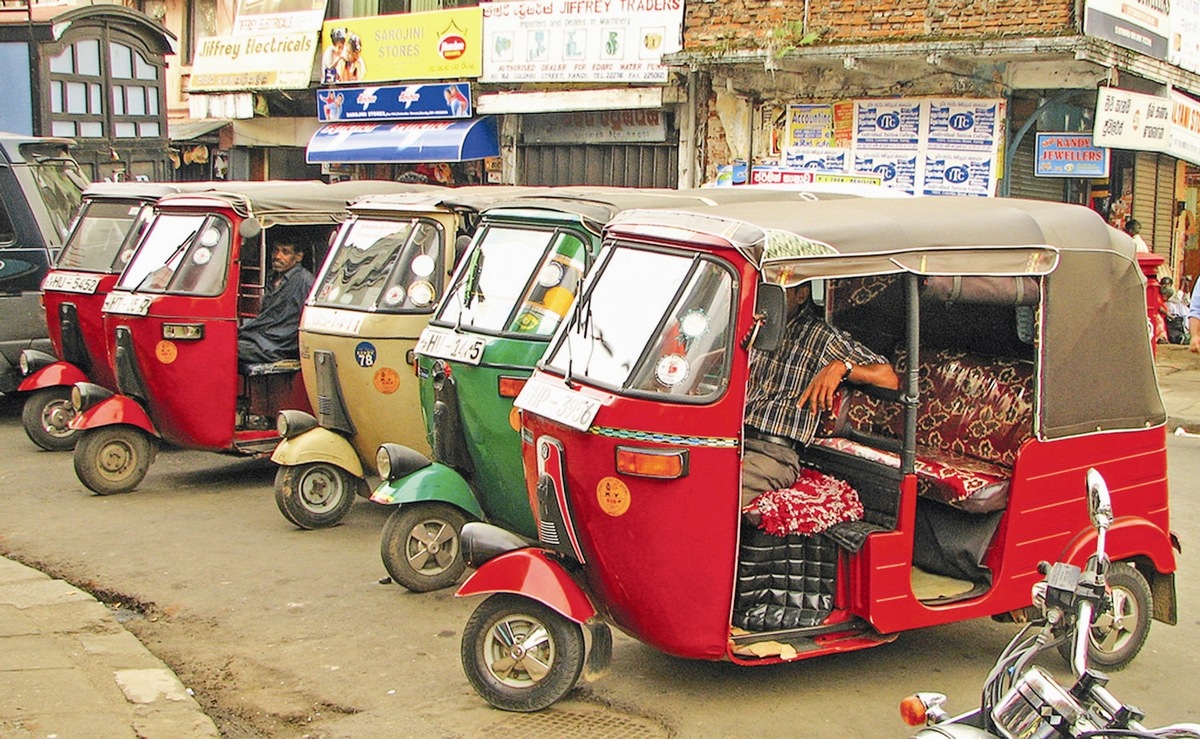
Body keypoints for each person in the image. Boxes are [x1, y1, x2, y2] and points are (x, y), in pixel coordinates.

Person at [741, 283, 900, 509]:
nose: (767, 298)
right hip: (735, 442)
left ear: (801, 295)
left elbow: (889, 378)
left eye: (779, 290)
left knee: (719, 494)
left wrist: (842, 367)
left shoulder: (822, 336)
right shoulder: (759, 327)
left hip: (774, 454)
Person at [238, 240, 314, 368]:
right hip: (261, 339)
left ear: (298, 257)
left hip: (278, 347)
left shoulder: (306, 282)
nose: (277, 256)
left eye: (285, 252)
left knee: (226, 349)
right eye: (275, 250)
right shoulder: (272, 278)